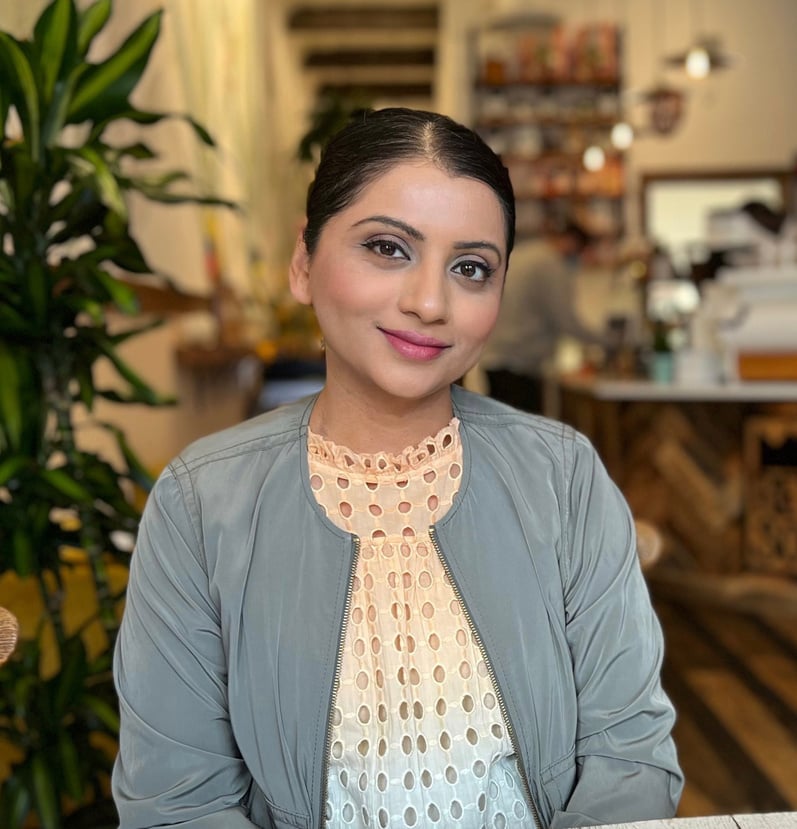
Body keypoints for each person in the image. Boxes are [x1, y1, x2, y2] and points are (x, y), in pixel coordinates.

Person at [112, 107, 683, 829]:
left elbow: (630, 758)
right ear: (303, 263)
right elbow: (176, 802)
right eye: (387, 248)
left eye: (470, 268)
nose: (429, 302)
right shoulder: (199, 503)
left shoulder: (563, 478)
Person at [480, 222, 609, 413]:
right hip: (520, 367)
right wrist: (606, 340)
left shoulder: (525, 254)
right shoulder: (550, 264)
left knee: (501, 427)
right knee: (523, 430)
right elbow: (566, 320)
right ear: (573, 241)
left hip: (494, 358)